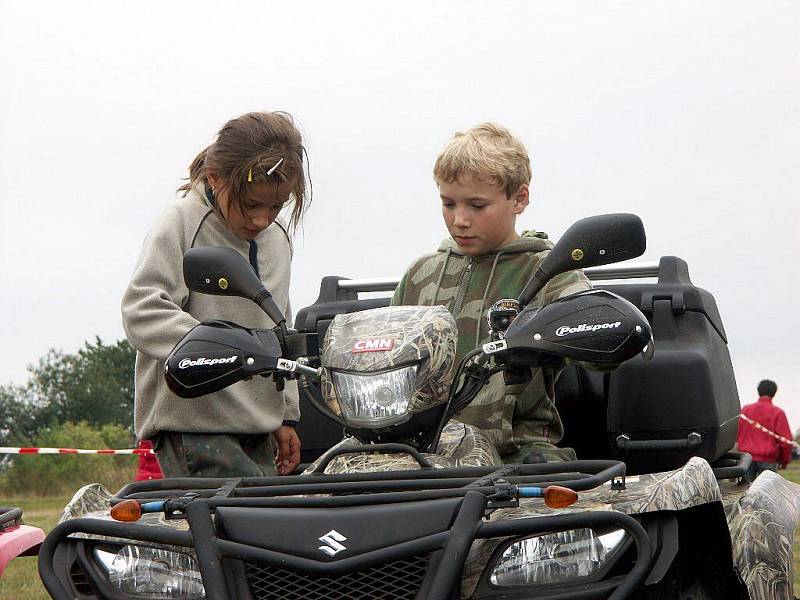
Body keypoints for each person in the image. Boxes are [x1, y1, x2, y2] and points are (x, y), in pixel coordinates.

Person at [122, 111, 309, 478]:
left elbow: (279, 325)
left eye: (276, 205)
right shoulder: (182, 224)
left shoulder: (278, 238)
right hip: (196, 425)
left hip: (257, 426)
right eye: (251, 204)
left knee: (262, 529)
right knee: (231, 530)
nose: (262, 219)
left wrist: (285, 414)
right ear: (215, 178)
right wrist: (217, 345)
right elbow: (141, 309)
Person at [392, 123, 591, 463]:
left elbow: (595, 342)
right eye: (448, 203)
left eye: (477, 206)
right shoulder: (419, 276)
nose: (460, 220)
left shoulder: (549, 272)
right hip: (421, 453)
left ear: (519, 199)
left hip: (517, 452)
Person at [737, 379, 793, 483]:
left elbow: (736, 432)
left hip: (745, 459)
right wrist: (784, 460)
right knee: (767, 495)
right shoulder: (778, 412)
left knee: (743, 494)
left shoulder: (745, 410)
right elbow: (785, 441)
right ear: (774, 393)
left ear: (759, 391)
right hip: (768, 460)